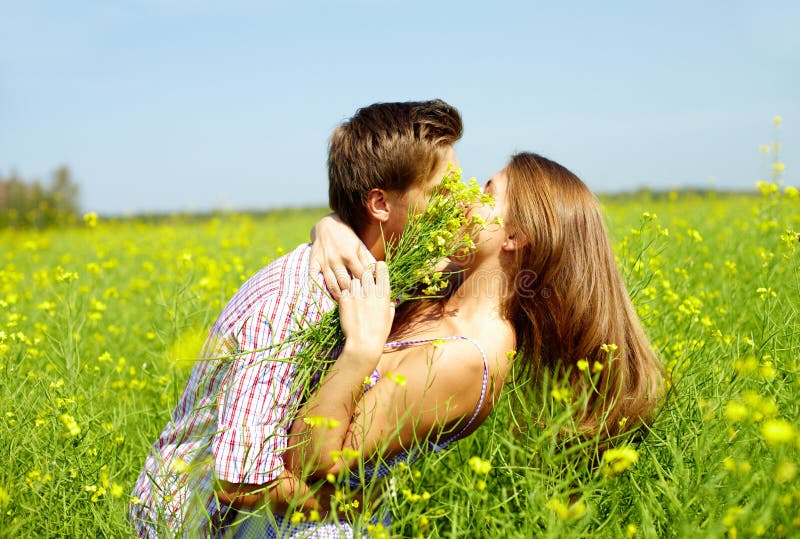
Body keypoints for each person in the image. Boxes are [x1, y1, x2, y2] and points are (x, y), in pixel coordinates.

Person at [235, 151, 664, 537]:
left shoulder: (465, 358)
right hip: (272, 515)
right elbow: (369, 233)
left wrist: (360, 353)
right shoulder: (443, 282)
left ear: (514, 235)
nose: (463, 197)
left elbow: (310, 460)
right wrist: (331, 228)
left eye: (486, 192)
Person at [128, 99, 463, 538]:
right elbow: (239, 482)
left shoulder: (395, 272)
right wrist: (360, 504)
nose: (460, 206)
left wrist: (331, 223)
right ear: (380, 203)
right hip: (199, 520)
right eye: (442, 194)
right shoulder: (291, 303)